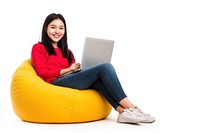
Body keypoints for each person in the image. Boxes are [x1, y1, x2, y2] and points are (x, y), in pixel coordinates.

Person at [31, 13, 156, 124]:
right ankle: (132, 108)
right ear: (46, 28)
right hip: (55, 82)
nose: (57, 31)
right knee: (106, 67)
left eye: (61, 28)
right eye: (53, 27)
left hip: (69, 77)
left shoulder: (67, 52)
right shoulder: (39, 47)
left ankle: (123, 112)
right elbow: (42, 73)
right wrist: (67, 70)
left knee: (99, 82)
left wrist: (76, 68)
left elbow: (73, 69)